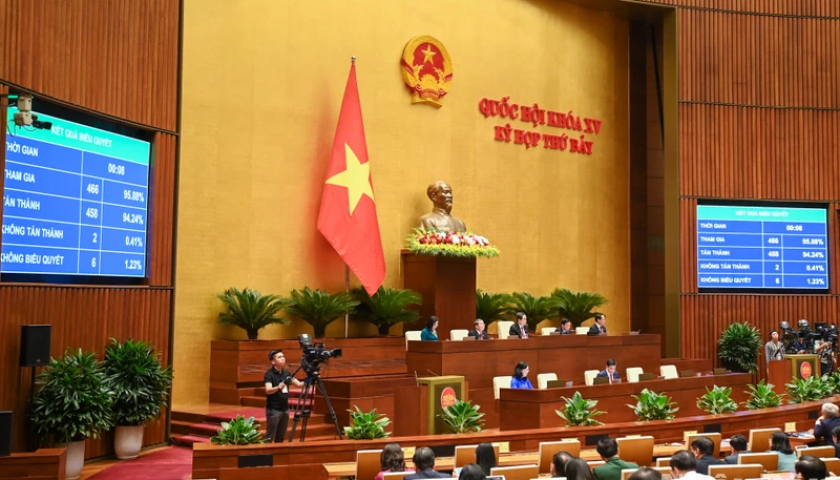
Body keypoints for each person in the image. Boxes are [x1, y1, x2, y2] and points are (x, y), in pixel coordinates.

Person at [264, 349, 304, 442]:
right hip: (274, 409)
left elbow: (299, 384)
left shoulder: (286, 373)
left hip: (285, 409)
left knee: (281, 436)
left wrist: (309, 380)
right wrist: (278, 387)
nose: (283, 358)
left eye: (283, 356)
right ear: (273, 361)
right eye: (279, 357)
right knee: (269, 436)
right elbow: (268, 390)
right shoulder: (269, 375)